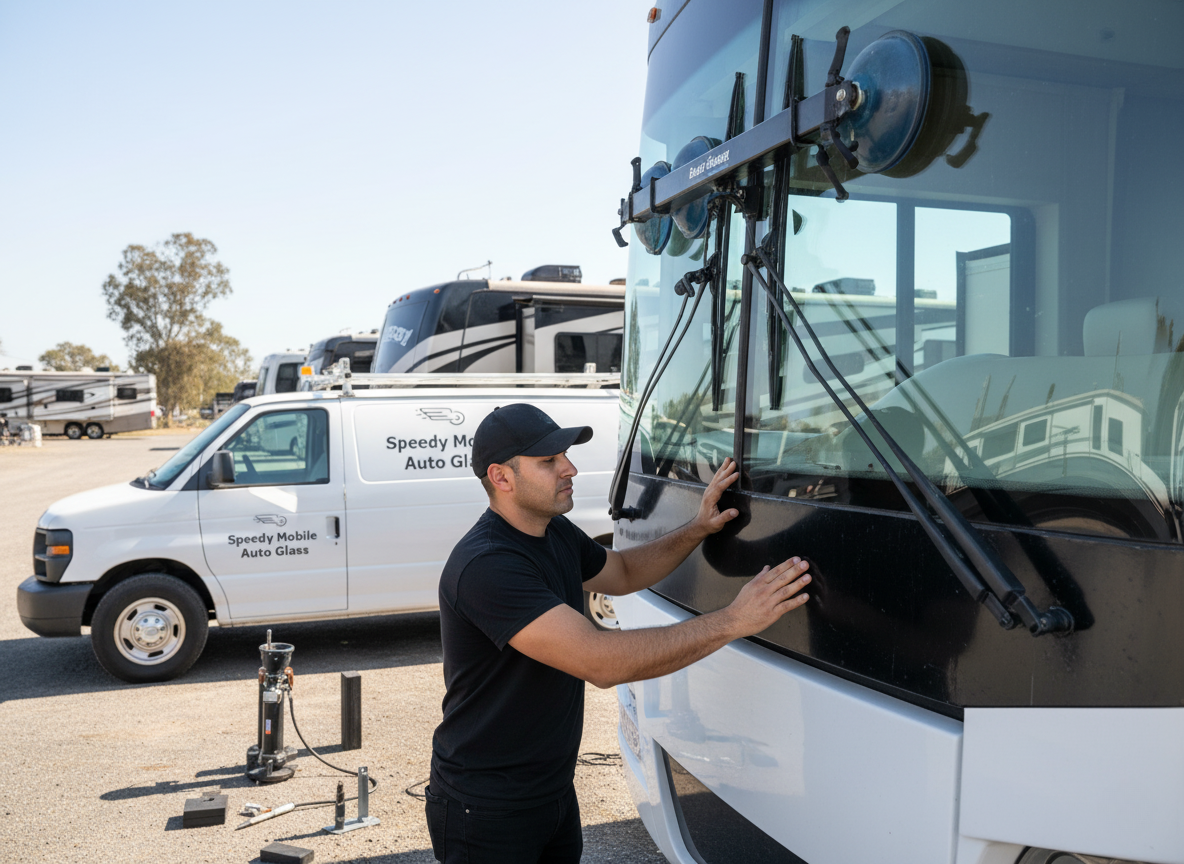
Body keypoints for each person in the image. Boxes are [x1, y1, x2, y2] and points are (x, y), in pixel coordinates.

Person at [425, 403, 811, 864]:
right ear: (501, 477)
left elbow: (624, 571)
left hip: (550, 794)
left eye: (564, 454)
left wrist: (699, 527)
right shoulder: (488, 564)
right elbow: (601, 662)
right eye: (548, 461)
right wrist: (734, 620)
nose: (569, 467)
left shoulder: (554, 533)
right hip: (486, 808)